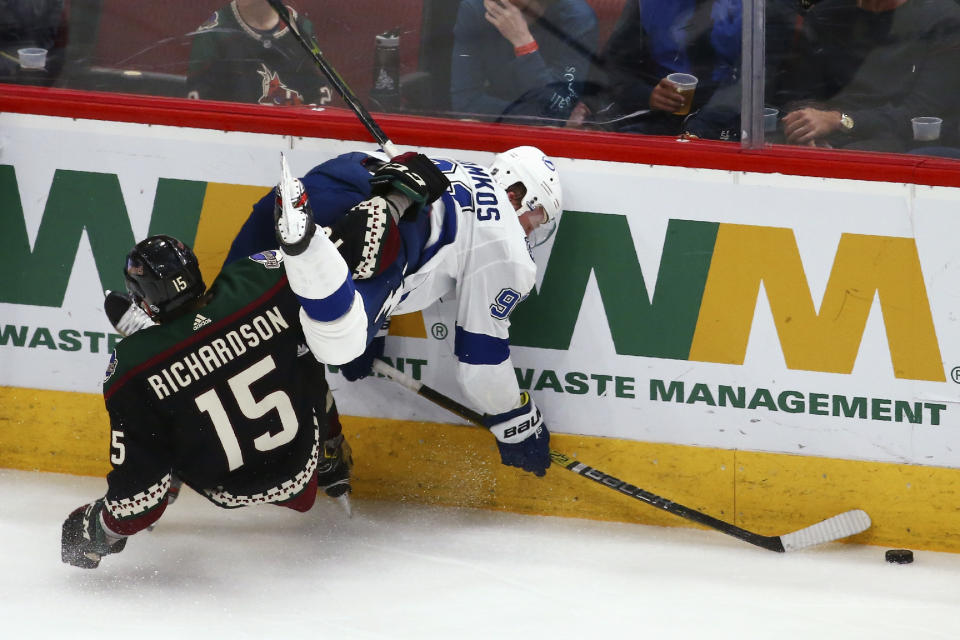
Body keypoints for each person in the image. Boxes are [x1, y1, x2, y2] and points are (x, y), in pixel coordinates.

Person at [228, 145, 562, 477]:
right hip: (394, 231)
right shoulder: (507, 245)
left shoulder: (455, 167)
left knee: (227, 312)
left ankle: (302, 236)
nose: (532, 231)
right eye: (538, 218)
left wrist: (380, 325)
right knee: (339, 341)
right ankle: (318, 260)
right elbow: (481, 360)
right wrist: (514, 419)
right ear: (518, 193)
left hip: (340, 176)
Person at [63, 235, 351, 569]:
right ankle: (332, 455)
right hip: (303, 462)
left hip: (227, 485)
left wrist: (98, 528)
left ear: (144, 301)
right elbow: (325, 265)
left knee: (163, 412)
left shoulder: (132, 368)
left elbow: (138, 502)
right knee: (302, 357)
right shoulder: (262, 281)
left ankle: (170, 476)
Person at [566, 0, 797, 141]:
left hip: (731, 127)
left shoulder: (765, 5)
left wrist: (699, 131)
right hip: (657, 120)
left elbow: (756, 79)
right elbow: (613, 67)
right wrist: (648, 95)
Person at [775, 0, 960, 152]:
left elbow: (924, 114)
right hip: (825, 137)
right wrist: (805, 127)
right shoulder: (827, 15)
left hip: (900, 143)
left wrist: (840, 121)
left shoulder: (943, 20)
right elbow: (797, 91)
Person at [450, 0, 598, 124]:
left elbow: (556, 107)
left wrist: (524, 44)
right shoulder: (476, 8)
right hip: (494, 126)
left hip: (542, 137)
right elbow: (465, 102)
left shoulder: (577, 18)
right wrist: (540, 117)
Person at [186, 0, 333, 106]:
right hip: (236, 138)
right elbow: (200, 105)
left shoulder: (301, 29)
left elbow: (320, 91)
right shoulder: (215, 33)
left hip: (292, 139)